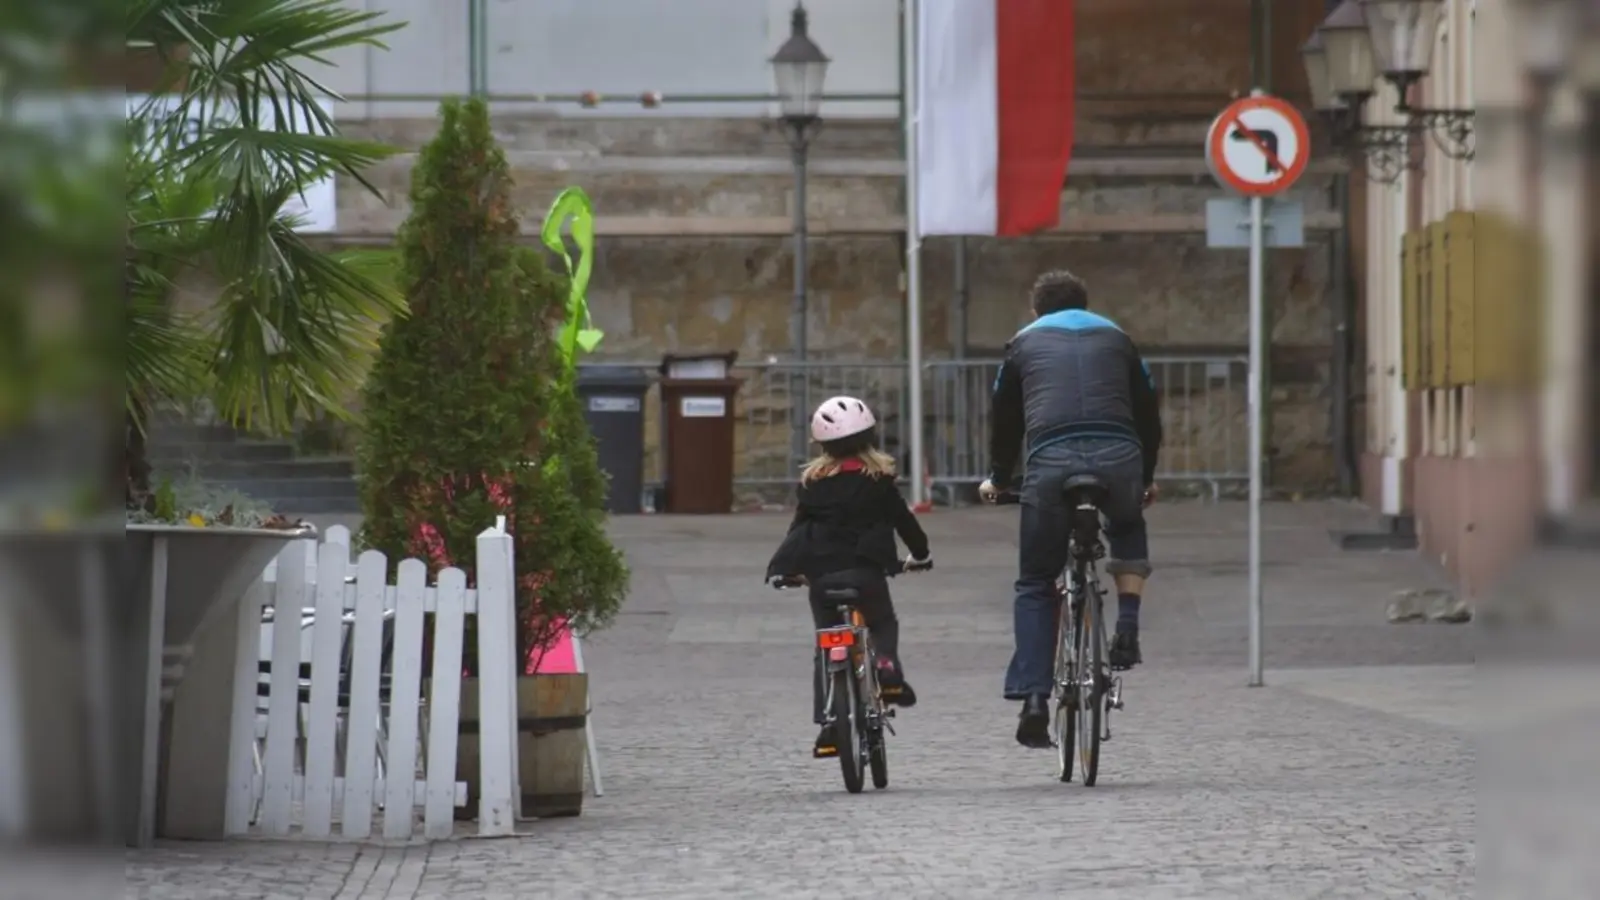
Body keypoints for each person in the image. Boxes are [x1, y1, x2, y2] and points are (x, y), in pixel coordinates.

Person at [979, 269, 1164, 749]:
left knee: (1036, 581)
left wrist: (999, 478)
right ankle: (1126, 626)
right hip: (1120, 457)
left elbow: (1004, 417)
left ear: (1036, 309)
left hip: (1051, 464)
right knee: (1126, 523)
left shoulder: (1022, 344)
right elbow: (1148, 411)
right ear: (1085, 303)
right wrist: (1145, 478)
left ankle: (1035, 697)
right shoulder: (1118, 338)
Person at [766, 395, 933, 758]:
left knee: (825, 644)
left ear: (822, 444)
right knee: (882, 622)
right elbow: (905, 523)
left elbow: (798, 531)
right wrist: (920, 555)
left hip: (822, 576)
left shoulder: (812, 483)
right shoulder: (880, 481)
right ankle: (887, 664)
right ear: (870, 437)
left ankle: (828, 721)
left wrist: (788, 570)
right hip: (866, 573)